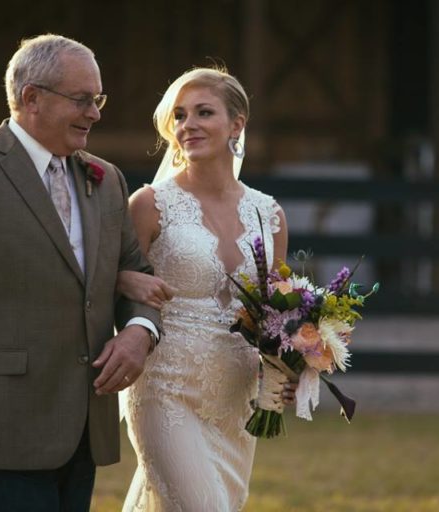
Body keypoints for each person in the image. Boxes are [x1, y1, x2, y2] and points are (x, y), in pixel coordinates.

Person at [0, 34, 161, 511]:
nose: (95, 112)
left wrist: (139, 330)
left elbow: (137, 273)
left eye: (98, 99)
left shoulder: (106, 182)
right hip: (3, 426)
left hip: (85, 424)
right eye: (82, 99)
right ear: (32, 98)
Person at [116, 67, 294, 511]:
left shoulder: (268, 214)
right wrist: (121, 281)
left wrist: (289, 368)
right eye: (179, 115)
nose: (187, 125)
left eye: (203, 112)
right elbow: (108, 284)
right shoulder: (150, 204)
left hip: (236, 400)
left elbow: (277, 316)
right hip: (164, 388)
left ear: (237, 124)